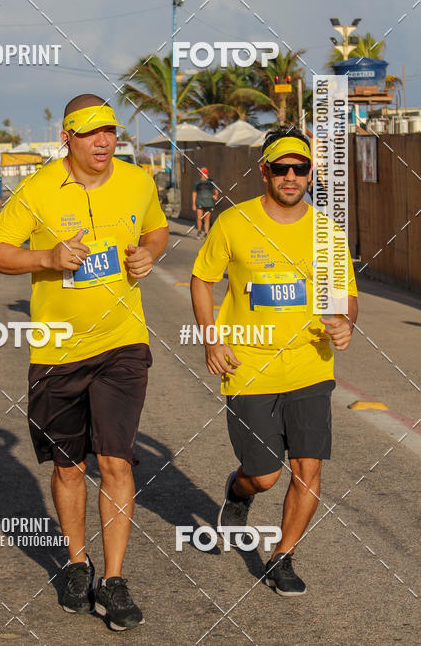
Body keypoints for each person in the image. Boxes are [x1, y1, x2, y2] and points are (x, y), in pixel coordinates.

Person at [0, 94, 168, 631]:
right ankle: (76, 563)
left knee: (116, 460)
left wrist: (149, 252)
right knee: (69, 466)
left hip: (122, 343)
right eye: (91, 133)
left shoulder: (137, 181)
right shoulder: (38, 189)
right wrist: (47, 257)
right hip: (58, 348)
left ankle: (113, 580)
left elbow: (154, 227)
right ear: (68, 138)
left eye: (109, 131)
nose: (105, 141)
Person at [190, 126, 358, 596]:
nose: (290, 176)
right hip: (248, 367)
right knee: (263, 474)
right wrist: (211, 339)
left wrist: (345, 321)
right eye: (281, 167)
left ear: (310, 173)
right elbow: (202, 280)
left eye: (299, 168)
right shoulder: (234, 223)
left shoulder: (325, 231)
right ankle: (238, 492)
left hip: (310, 366)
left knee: (308, 469)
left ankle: (282, 556)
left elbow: (345, 295)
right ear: (264, 170)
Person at [192, 167, 219, 238]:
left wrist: (215, 196)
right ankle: (199, 231)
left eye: (205, 173)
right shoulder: (197, 182)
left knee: (207, 219)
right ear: (200, 174)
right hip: (199, 202)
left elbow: (216, 191)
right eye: (202, 173)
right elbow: (194, 193)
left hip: (209, 203)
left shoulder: (211, 182)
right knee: (199, 217)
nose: (204, 174)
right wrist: (194, 204)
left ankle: (206, 233)